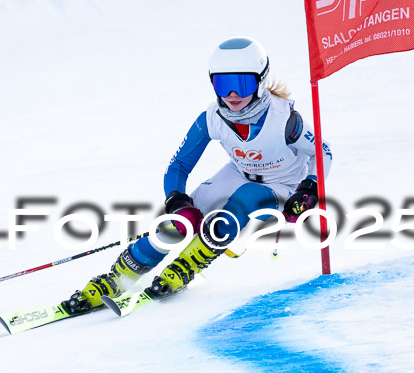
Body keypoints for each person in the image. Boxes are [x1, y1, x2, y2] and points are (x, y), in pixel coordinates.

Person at [62, 36, 333, 314]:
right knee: (177, 224)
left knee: (245, 197)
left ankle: (185, 267)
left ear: (261, 81)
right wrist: (177, 202)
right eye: (222, 85)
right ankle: (117, 279)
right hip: (239, 174)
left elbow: (323, 152)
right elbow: (179, 165)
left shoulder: (284, 119)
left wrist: (308, 188)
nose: (232, 95)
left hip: (282, 187)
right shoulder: (213, 117)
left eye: (242, 84)